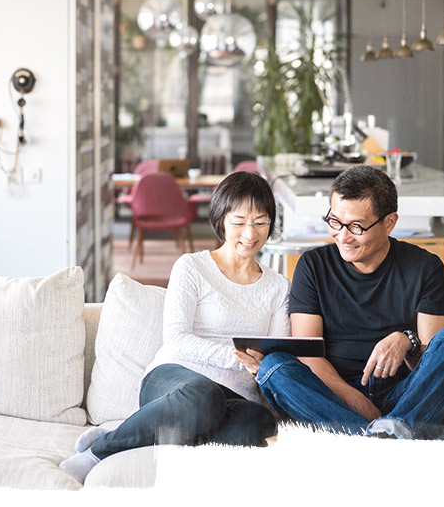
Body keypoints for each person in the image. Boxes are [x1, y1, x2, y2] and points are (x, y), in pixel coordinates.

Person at [59, 172, 290, 483]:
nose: (250, 233)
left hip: (236, 394)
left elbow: (275, 352)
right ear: (221, 219)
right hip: (176, 380)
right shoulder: (192, 267)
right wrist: (236, 358)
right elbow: (177, 339)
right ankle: (102, 449)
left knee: (259, 422)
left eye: (260, 222)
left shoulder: (278, 287)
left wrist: (266, 366)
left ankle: (141, 429)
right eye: (239, 221)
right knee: (203, 396)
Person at [252, 165, 444, 440]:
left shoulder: (425, 267)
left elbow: (429, 361)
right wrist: (355, 400)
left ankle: (384, 430)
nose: (343, 236)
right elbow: (309, 354)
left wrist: (408, 341)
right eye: (335, 222)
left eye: (357, 226)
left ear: (389, 222)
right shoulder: (312, 266)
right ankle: (388, 435)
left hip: (404, 395)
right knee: (274, 367)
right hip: (333, 397)